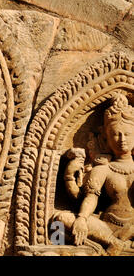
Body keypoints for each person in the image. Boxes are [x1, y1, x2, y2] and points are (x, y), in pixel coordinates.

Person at [54, 93, 134, 255]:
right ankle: (116, 243)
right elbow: (91, 197)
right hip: (107, 225)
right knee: (60, 220)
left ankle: (120, 243)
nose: (121, 139)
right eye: (115, 134)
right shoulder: (104, 169)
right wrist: (82, 218)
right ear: (105, 138)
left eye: (127, 134)